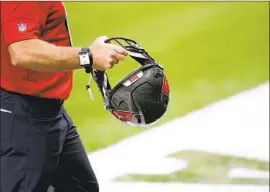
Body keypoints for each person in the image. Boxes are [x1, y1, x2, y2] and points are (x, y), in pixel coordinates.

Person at [0, 1, 128, 192]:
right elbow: (22, 51)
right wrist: (88, 56)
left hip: (49, 111)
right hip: (25, 115)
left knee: (80, 187)